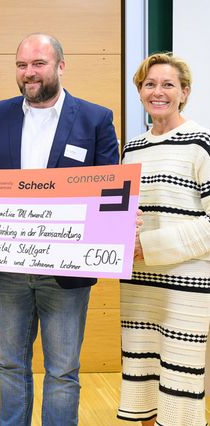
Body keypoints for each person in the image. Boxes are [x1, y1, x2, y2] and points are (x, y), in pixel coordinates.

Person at [0, 33, 119, 425]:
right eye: (22, 65)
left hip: (67, 274)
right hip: (6, 271)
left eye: (38, 64)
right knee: (9, 366)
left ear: (60, 66)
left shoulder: (96, 118)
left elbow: (111, 192)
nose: (29, 73)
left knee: (62, 372)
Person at [117, 53, 210, 426]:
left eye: (168, 84)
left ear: (184, 92)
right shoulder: (132, 149)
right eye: (150, 84)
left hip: (185, 285)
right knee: (142, 377)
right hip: (139, 283)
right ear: (139, 91)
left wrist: (150, 247)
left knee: (179, 383)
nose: (158, 92)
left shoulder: (200, 143)